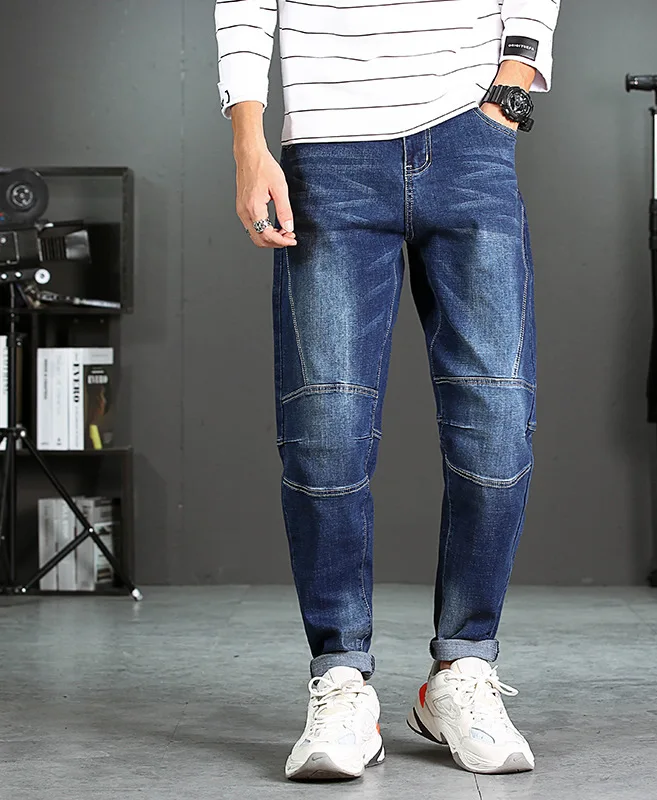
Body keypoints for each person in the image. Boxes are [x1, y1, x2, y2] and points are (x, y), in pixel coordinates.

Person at [215, 0, 560, 781]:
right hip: (328, 150)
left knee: (497, 423)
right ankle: (341, 678)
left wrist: (511, 86)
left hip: (470, 138)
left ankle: (462, 669)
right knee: (324, 429)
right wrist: (247, 140)